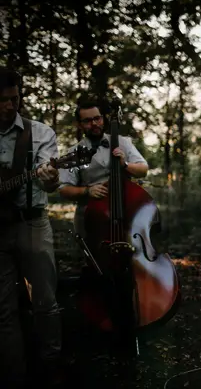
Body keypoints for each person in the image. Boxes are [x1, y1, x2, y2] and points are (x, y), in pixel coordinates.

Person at [0, 66, 63, 388]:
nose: (11, 106)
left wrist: (51, 177)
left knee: (45, 299)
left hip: (32, 222)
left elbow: (52, 185)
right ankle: (14, 372)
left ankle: (51, 366)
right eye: (3, 101)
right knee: (3, 309)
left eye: (15, 98)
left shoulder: (39, 132)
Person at [58, 97, 149, 240]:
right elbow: (64, 189)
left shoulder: (122, 142)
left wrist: (125, 165)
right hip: (92, 218)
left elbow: (143, 170)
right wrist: (87, 191)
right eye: (87, 121)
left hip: (126, 212)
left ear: (103, 119)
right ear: (79, 125)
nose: (94, 124)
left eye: (97, 118)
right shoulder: (73, 153)